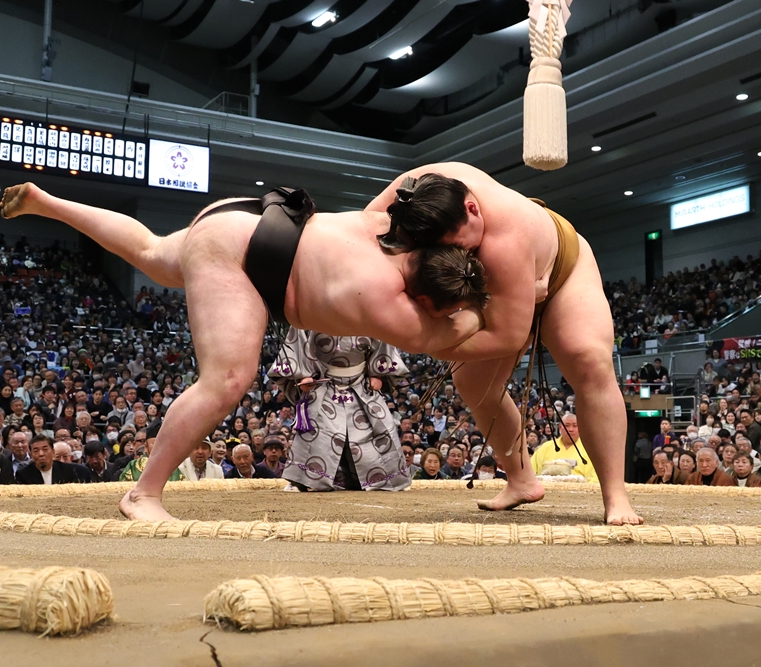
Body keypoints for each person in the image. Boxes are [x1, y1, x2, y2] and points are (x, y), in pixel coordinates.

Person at [1, 182, 487, 520]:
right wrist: (492, 310)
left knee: (151, 252)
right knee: (227, 381)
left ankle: (49, 202)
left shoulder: (388, 221)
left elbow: (418, 184)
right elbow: (438, 339)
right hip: (241, 258)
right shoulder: (384, 298)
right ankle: (143, 493)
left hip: (254, 214)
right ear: (424, 300)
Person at [366, 164, 642, 524]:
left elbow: (507, 337)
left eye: (463, 247)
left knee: (589, 359)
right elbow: (365, 237)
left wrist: (425, 342)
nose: (459, 254)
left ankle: (615, 495)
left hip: (559, 271)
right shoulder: (407, 197)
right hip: (491, 290)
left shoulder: (506, 238)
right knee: (473, 382)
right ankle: (521, 480)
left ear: (472, 209)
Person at [268, 329, 410, 491]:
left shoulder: (370, 310)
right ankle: (306, 480)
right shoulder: (309, 310)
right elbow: (296, 340)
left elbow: (384, 338)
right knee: (315, 428)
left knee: (379, 424)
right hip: (322, 383)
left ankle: (382, 478)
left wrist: (378, 374)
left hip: (361, 385)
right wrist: (303, 374)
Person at [529, 414, 597, 482]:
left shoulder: (590, 450)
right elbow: (531, 472)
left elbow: (596, 478)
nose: (570, 429)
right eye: (567, 425)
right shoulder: (545, 448)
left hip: (581, 489)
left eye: (575, 426)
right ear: (560, 427)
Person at [118, 424, 186, 483]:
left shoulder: (173, 467)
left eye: (163, 443)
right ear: (146, 445)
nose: (159, 446)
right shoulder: (133, 466)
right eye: (155, 442)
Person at [16, 435, 81, 485]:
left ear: (53, 452)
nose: (41, 454)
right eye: (36, 450)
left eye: (45, 449)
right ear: (31, 455)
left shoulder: (67, 470)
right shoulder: (23, 474)